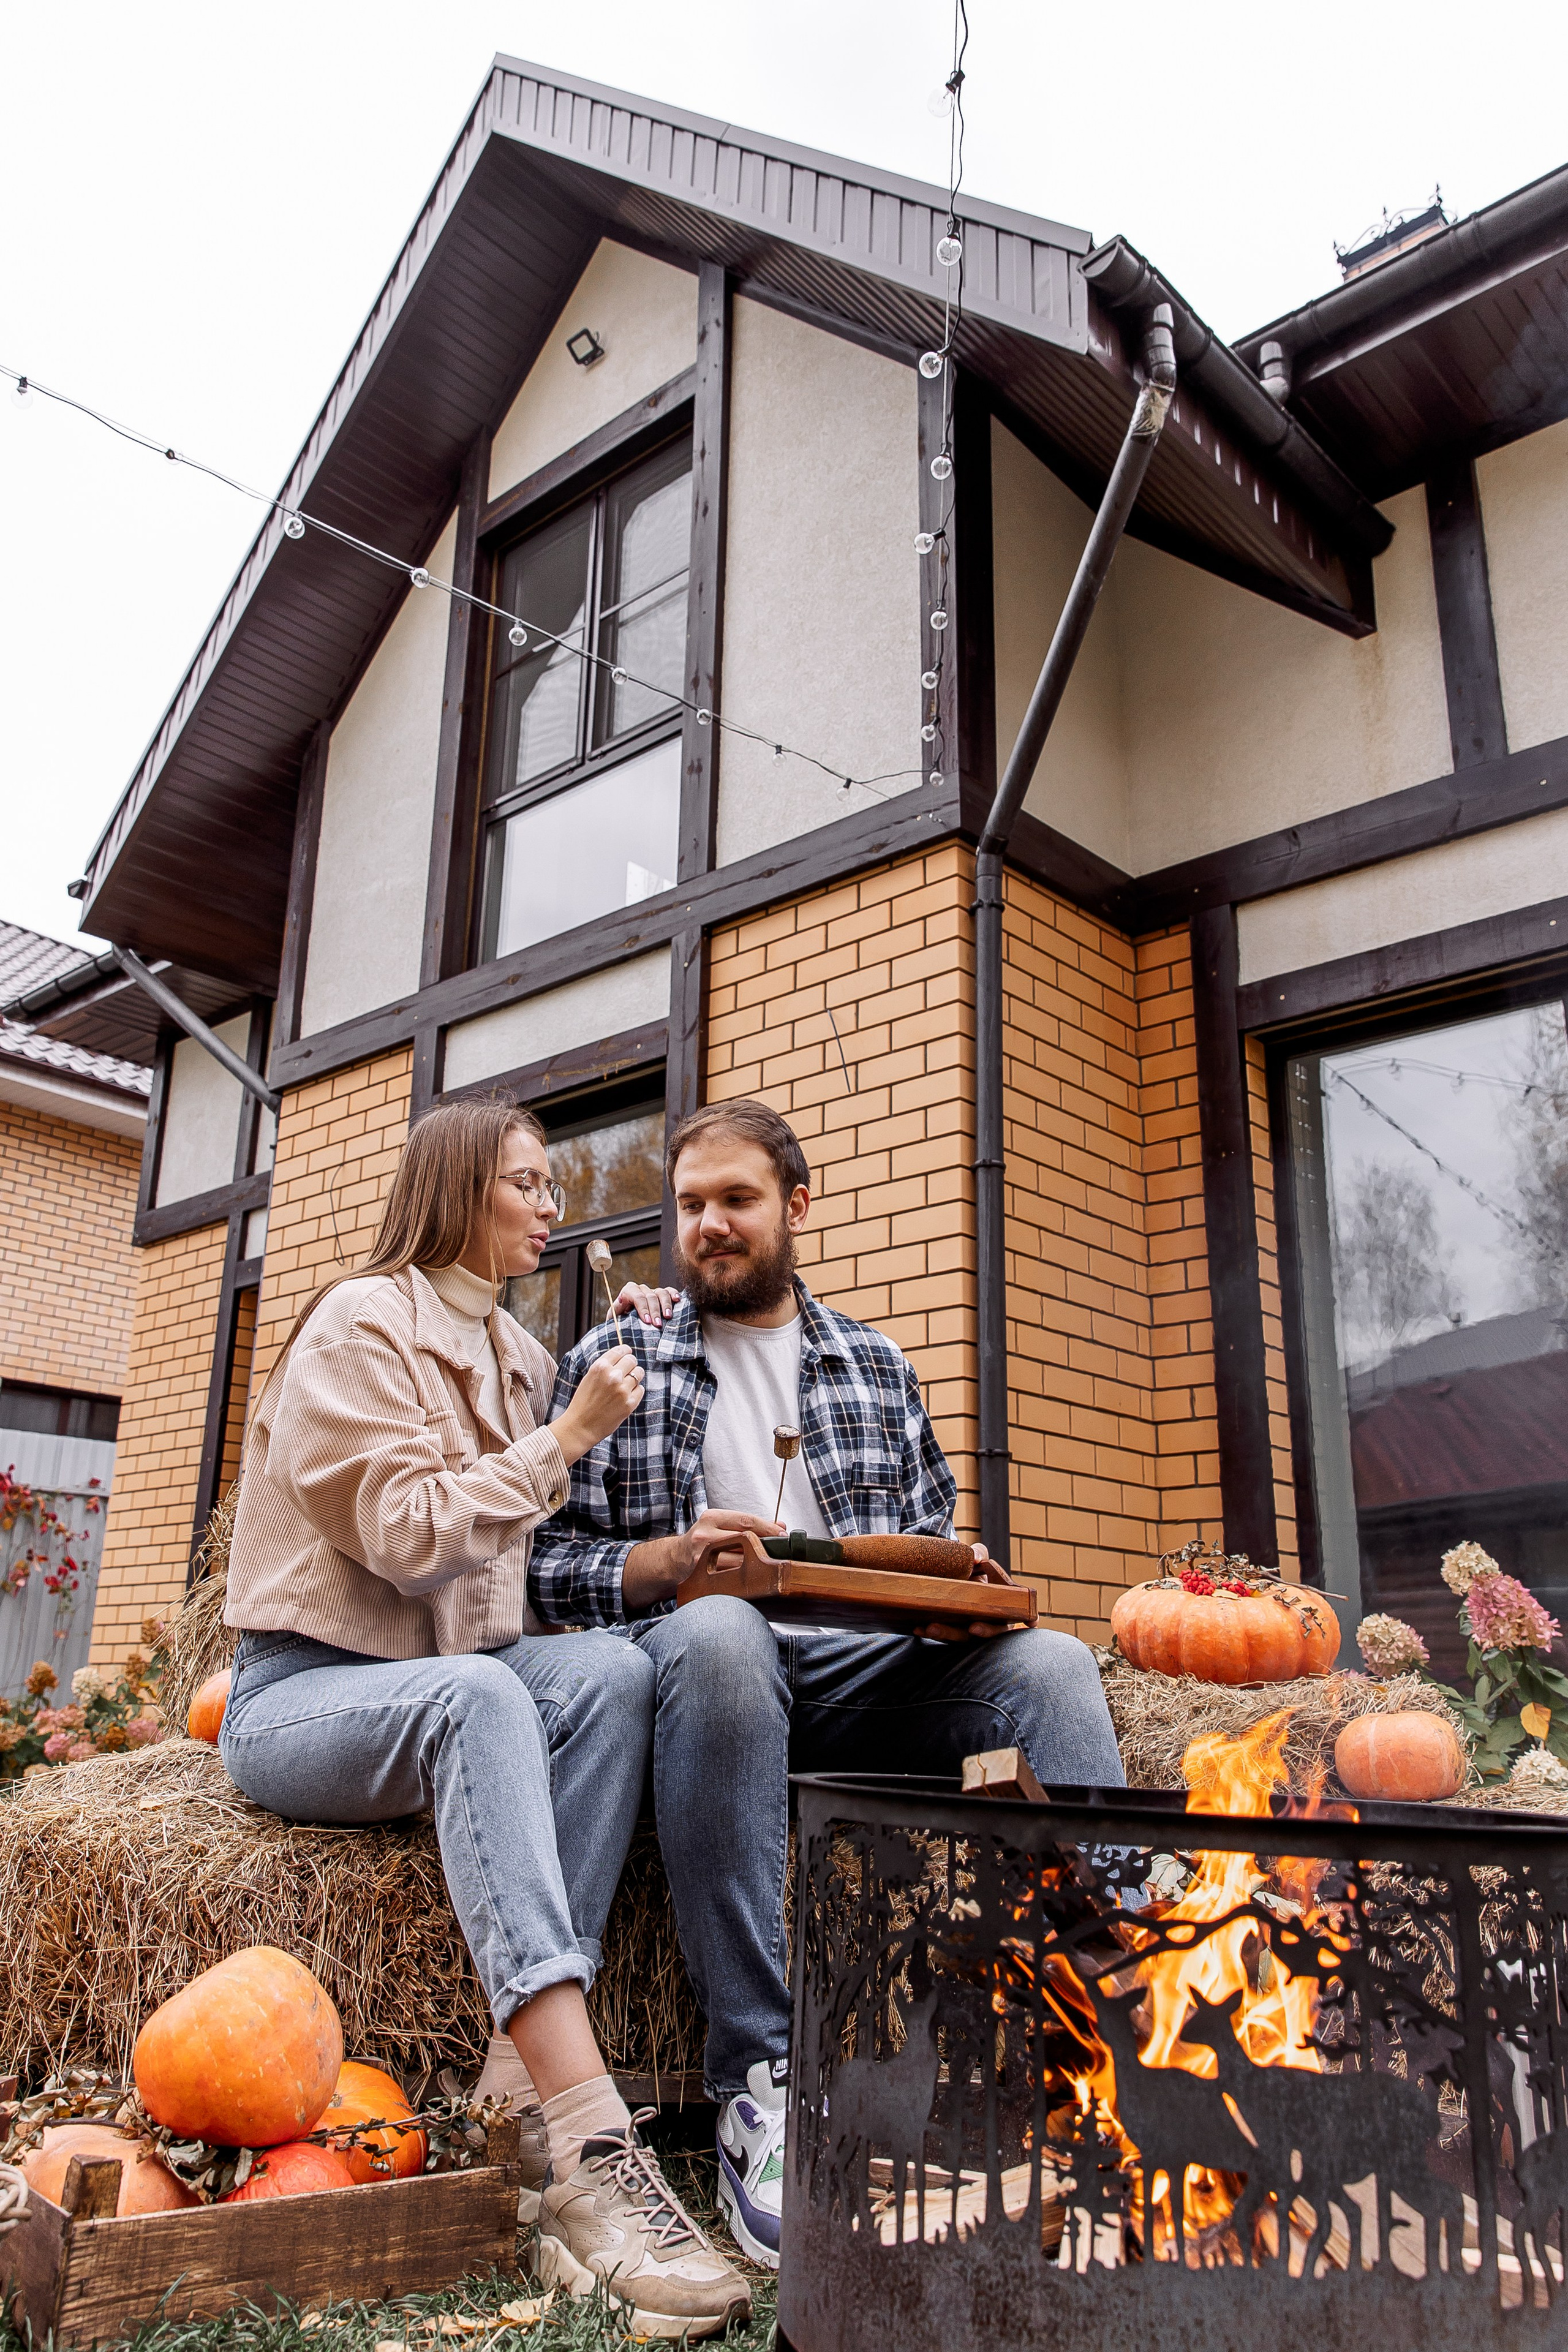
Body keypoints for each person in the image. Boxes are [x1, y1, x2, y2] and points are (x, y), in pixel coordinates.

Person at [530, 1099, 1124, 2267]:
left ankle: (1110, 2027)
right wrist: (670, 1566)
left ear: (797, 1208)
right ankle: (765, 2074)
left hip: (867, 1672)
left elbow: (925, 1539)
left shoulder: (877, 1368)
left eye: (735, 1201)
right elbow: (545, 1567)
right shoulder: (616, 1363)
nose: (708, 1226)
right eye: (689, 1205)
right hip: (705, 1677)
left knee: (1050, 1665)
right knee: (719, 1633)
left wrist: (955, 1587)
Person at [220, 1100, 749, 2341]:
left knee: (613, 1674)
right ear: (458, 1189)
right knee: (481, 1695)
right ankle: (587, 2151)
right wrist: (567, 1435)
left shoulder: (518, 1355)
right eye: (526, 1182)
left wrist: (633, 1345)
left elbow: (516, 1563)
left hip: (458, 1676)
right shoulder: (359, 1323)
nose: (553, 1205)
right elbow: (409, 1534)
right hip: (302, 1693)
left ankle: (508, 2097)